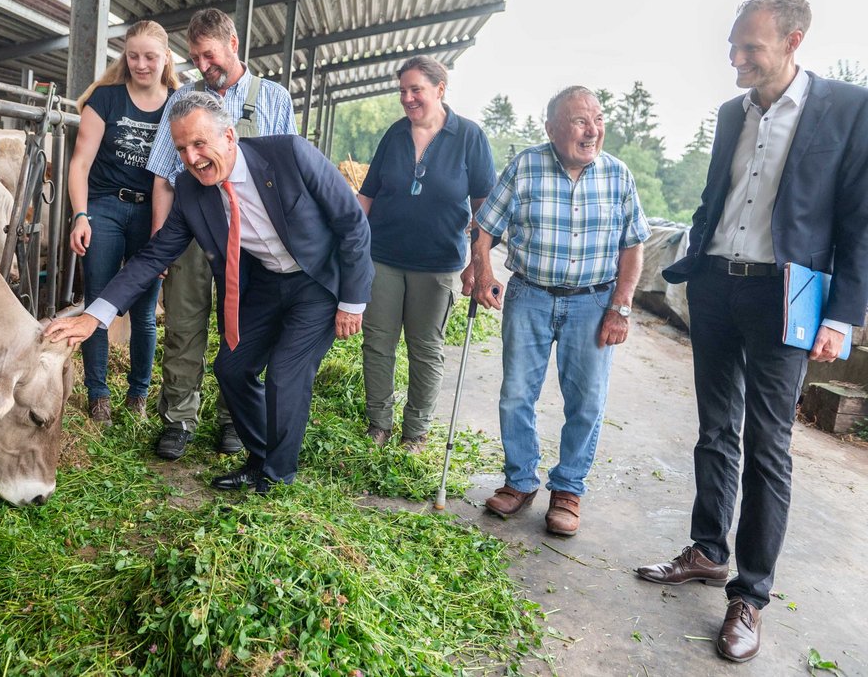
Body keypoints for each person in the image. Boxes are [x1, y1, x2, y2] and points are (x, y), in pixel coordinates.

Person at [636, 0, 868, 664]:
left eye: (750, 48)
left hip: (788, 297)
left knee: (768, 446)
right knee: (714, 428)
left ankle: (751, 594)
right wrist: (693, 265)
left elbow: (858, 223)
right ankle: (708, 549)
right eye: (733, 46)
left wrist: (843, 315)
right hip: (716, 287)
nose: (735, 58)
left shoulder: (849, 110)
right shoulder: (731, 113)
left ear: (794, 42)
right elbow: (718, 196)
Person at [45, 92, 372, 492]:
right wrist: (94, 316)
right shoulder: (192, 190)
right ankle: (258, 457)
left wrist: (352, 302)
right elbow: (153, 257)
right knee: (232, 368)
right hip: (267, 282)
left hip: (319, 281)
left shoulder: (290, 154)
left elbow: (352, 223)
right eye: (182, 148)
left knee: (285, 375)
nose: (192, 157)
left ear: (229, 136)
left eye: (200, 144)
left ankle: (277, 476)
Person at [470, 86, 649, 537]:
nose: (592, 131)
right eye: (579, 121)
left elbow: (633, 245)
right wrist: (482, 271)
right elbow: (485, 228)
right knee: (516, 393)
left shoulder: (618, 175)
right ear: (551, 128)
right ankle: (520, 481)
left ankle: (568, 488)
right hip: (530, 294)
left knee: (586, 400)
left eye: (598, 120)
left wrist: (620, 308)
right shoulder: (525, 166)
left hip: (593, 301)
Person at [143, 8, 297, 461]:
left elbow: (288, 175)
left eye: (208, 55)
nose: (202, 66)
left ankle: (235, 419)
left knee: (243, 330)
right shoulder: (182, 99)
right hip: (192, 233)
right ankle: (178, 419)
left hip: (251, 238)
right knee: (184, 326)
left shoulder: (273, 97)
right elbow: (164, 177)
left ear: (233, 43)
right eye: (194, 58)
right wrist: (159, 246)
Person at [357, 56, 495, 452]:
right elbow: (367, 195)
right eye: (402, 90)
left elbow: (486, 206)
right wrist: (348, 247)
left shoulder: (469, 136)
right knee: (378, 343)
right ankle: (378, 424)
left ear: (440, 88)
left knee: (425, 348)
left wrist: (478, 263)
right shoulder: (395, 134)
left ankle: (415, 431)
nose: (407, 98)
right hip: (382, 257)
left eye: (415, 89)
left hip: (438, 265)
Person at [67, 20, 180, 423]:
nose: (141, 64)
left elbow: (169, 178)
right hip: (105, 207)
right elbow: (80, 163)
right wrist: (81, 215)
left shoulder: (178, 104)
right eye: (133, 55)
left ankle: (138, 396)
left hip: (153, 210)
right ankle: (98, 396)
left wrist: (161, 236)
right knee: (98, 300)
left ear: (165, 57)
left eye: (150, 56)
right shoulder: (106, 99)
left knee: (145, 310)